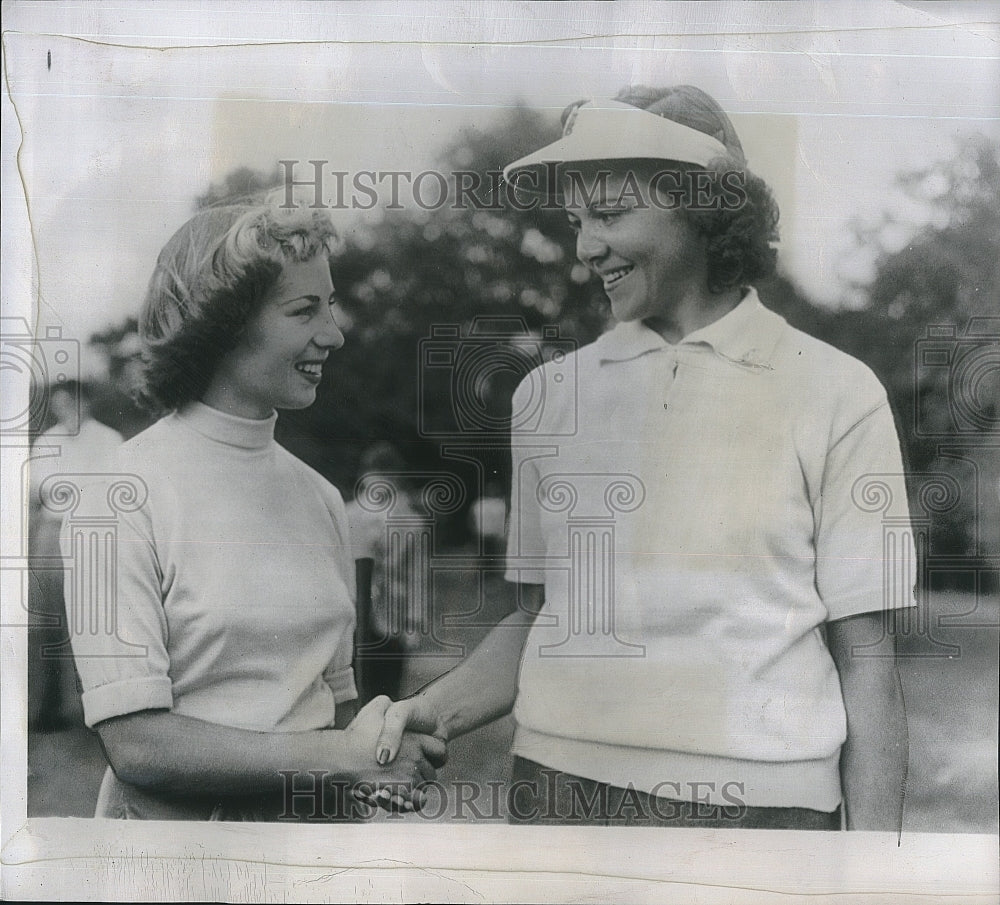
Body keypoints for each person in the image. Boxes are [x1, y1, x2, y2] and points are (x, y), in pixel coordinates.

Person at [375, 85, 914, 830]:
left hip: (765, 816)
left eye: (610, 214)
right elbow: (539, 618)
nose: (585, 246)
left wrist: (873, 871)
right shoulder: (547, 396)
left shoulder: (836, 392)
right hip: (560, 792)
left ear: (703, 209)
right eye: (576, 220)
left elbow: (868, 659)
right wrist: (427, 710)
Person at [66, 205, 444, 820]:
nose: (334, 333)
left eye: (330, 304)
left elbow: (332, 706)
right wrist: (340, 757)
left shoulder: (320, 497)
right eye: (305, 310)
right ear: (223, 324)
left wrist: (376, 757)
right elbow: (136, 745)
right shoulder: (117, 494)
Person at [28, 381, 123, 730]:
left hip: (95, 536)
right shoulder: (48, 441)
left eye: (72, 403)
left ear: (86, 403)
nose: (66, 411)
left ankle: (99, 711)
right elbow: (42, 490)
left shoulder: (109, 440)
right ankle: (48, 710)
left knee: (95, 621)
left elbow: (112, 493)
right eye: (60, 405)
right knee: (48, 621)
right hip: (53, 535)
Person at [346, 442, 429, 702]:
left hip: (393, 616)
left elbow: (418, 575)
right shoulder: (347, 514)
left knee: (388, 690)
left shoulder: (412, 522)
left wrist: (414, 623)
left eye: (387, 478)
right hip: (353, 613)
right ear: (363, 477)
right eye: (373, 477)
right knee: (354, 688)